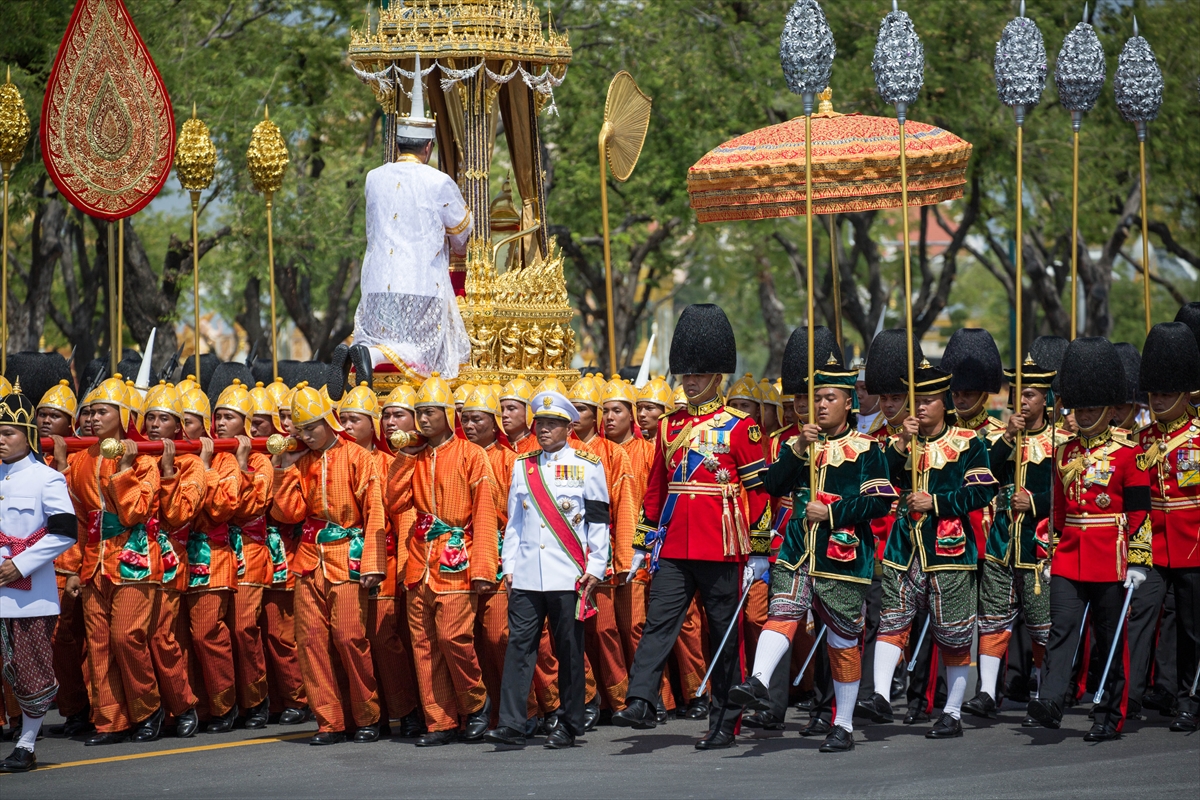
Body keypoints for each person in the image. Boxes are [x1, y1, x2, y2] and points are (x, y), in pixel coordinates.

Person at [612, 304, 772, 750]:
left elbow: (759, 492)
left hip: (722, 545)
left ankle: (725, 722)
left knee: (724, 636)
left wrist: (759, 550)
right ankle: (641, 699)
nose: (691, 380)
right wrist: (643, 544)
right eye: (686, 373)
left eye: (700, 373)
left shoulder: (742, 428)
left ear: (718, 376)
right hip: (676, 544)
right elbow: (655, 490)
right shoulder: (669, 427)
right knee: (658, 622)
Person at [1026, 337, 1153, 741]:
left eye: (1091, 409)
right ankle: (1051, 699)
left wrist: (1137, 560)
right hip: (1070, 555)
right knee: (1061, 627)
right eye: (1078, 408)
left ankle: (1110, 711)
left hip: (1111, 556)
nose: (1083, 415)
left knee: (1109, 636)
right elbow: (1059, 511)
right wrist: (1050, 550)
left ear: (1108, 409)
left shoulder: (1128, 454)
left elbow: (1139, 513)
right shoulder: (1063, 453)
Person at [866, 360, 997, 739]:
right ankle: (879, 695)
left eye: (927, 401)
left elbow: (981, 492)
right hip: (903, 548)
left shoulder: (969, 443)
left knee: (953, 634)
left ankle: (952, 712)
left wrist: (936, 503)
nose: (919, 408)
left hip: (950, 548)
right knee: (892, 620)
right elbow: (877, 478)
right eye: (915, 401)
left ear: (944, 404)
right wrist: (901, 445)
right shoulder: (897, 441)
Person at [336, 54, 473, 388]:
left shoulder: (373, 177)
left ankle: (355, 347)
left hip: (376, 283)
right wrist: (456, 249)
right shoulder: (438, 181)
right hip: (420, 284)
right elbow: (463, 231)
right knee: (422, 354)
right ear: (428, 146)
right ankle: (367, 356)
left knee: (385, 336)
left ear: (398, 143)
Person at [484, 391, 611, 750]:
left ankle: (569, 723)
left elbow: (599, 521)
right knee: (519, 646)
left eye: (552, 424)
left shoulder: (588, 465)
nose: (543, 430)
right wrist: (508, 565)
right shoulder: (522, 464)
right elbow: (514, 521)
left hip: (568, 573)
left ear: (568, 428)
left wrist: (596, 566)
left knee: (568, 649)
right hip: (526, 573)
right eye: (540, 423)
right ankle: (511, 722)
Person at [270, 383, 387, 745]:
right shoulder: (301, 461)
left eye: (312, 427)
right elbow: (288, 513)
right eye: (300, 429)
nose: (306, 435)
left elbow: (375, 512)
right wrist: (283, 470)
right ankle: (330, 721)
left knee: (349, 637)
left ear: (328, 420)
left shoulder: (357, 457)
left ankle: (367, 716)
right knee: (311, 641)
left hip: (348, 556)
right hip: (309, 558)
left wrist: (373, 562)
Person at [387, 373, 498, 747]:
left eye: (431, 412)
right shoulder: (415, 456)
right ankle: (441, 722)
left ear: (448, 414)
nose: (423, 419)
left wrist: (484, 568)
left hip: (457, 558)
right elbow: (395, 501)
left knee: (454, 638)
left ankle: (476, 703)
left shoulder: (472, 454)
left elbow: (484, 514)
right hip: (420, 561)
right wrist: (405, 455)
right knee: (424, 645)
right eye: (419, 412)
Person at [63, 376, 164, 745]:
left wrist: (123, 469)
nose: (92, 418)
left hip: (133, 559)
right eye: (88, 412)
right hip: (93, 562)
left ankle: (149, 709)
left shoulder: (144, 461)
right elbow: (76, 521)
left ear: (122, 415)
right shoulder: (78, 461)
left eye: (101, 411)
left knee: (126, 637)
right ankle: (110, 721)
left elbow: (136, 509)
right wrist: (73, 567)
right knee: (99, 643)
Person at [964, 356, 1057, 722]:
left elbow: (1066, 492)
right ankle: (987, 691)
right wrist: (1006, 437)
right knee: (993, 619)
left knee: (1041, 622)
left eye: (1030, 395)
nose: (1023, 402)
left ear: (1045, 400)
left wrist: (1034, 501)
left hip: (1040, 545)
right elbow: (984, 474)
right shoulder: (996, 437)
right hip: (1002, 540)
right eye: (1017, 394)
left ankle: (1044, 691)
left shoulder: (1059, 440)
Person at [0, 390, 78, 772]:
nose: (0, 439)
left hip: (28, 592)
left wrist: (21, 564)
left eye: (8, 432)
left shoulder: (46, 478)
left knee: (31, 667)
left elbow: (65, 532)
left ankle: (27, 743)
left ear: (27, 434)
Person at [1133, 323, 1200, 732]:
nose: (1158, 400)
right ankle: (1137, 692)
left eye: (1165, 392)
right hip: (1153, 547)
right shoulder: (1143, 440)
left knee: (1194, 629)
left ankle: (1191, 698)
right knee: (1142, 618)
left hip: (1195, 546)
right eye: (1154, 392)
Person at [567, 374, 634, 721]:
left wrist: (623, 557)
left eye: (582, 409)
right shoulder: (563, 452)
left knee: (605, 628)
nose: (576, 415)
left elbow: (623, 508)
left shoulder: (613, 454)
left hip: (599, 552)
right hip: (567, 552)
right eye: (572, 408)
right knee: (574, 630)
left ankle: (621, 699)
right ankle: (589, 698)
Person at [140, 383, 202, 739]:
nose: (154, 424)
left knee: (161, 636)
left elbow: (179, 513)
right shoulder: (136, 455)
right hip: (131, 559)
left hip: (168, 558)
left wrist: (166, 472)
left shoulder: (190, 464)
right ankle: (149, 708)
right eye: (150, 417)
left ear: (178, 427)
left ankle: (183, 704)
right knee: (129, 637)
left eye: (164, 418)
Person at [36, 380, 92, 738]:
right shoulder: (26, 454)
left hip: (68, 561)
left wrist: (61, 465)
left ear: (69, 423)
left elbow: (78, 516)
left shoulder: (83, 456)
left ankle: (78, 709)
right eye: (41, 414)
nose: (45, 421)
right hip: (28, 562)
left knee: (64, 639)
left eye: (54, 416)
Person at [458, 384, 516, 728]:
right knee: (470, 639)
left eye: (477, 419)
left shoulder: (511, 460)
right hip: (457, 557)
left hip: (501, 556)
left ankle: (532, 708)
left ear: (495, 423)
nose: (470, 426)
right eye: (464, 419)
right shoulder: (457, 455)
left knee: (498, 637)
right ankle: (484, 711)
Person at [499, 377, 538, 454]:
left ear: (527, 411)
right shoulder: (497, 448)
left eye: (511, 409)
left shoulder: (541, 447)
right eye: (501, 410)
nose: (504, 414)